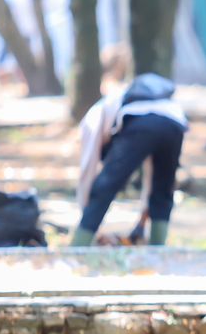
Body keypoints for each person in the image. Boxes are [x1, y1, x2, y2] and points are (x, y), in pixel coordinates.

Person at [72, 73, 188, 247]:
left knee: (105, 186)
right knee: (163, 188)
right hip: (175, 122)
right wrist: (142, 218)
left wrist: (85, 205)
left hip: (144, 122)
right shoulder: (122, 104)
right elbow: (151, 175)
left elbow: (88, 167)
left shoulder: (94, 117)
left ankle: (78, 247)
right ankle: (158, 249)